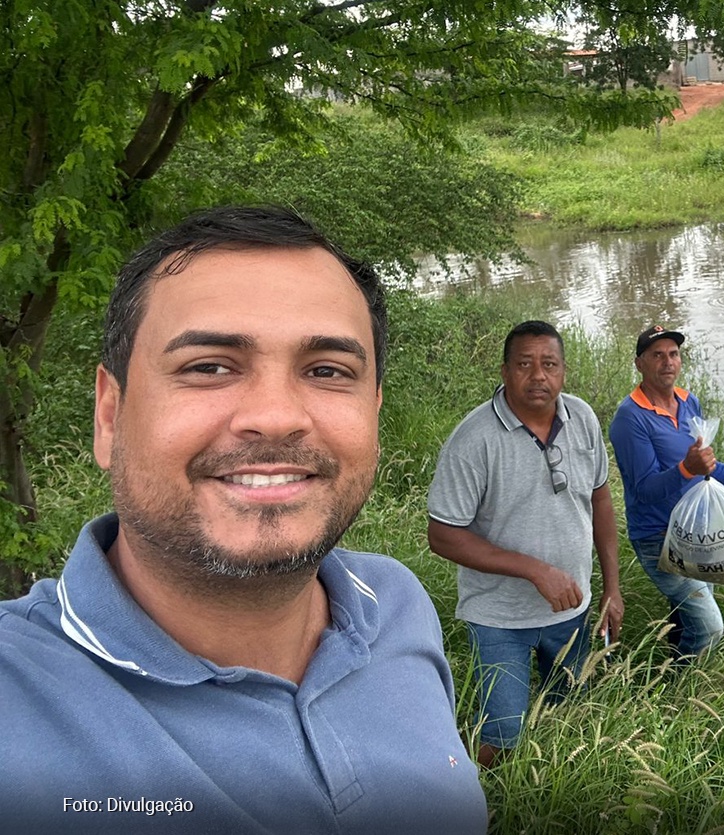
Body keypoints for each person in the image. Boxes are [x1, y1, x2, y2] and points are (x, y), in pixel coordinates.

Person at [0, 206, 487, 833]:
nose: (277, 416)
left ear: (373, 412)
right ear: (110, 416)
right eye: (209, 366)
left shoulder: (395, 604)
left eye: (327, 371)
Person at [427, 320, 622, 769]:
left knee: (570, 714)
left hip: (573, 611)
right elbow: (442, 535)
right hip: (499, 618)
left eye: (549, 364)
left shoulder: (583, 419)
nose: (539, 376)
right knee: (503, 732)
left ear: (564, 371)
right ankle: (470, 803)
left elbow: (600, 500)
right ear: (504, 371)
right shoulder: (474, 439)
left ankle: (550, 794)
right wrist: (535, 570)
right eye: (525, 365)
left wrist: (612, 588)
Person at [609, 325, 724, 662]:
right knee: (710, 626)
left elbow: (710, 469)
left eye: (673, 354)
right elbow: (645, 490)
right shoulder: (630, 419)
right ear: (639, 364)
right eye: (657, 355)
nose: (667, 362)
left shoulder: (687, 400)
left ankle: (669, 663)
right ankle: (684, 687)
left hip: (697, 531)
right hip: (659, 537)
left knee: (688, 611)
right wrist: (685, 469)